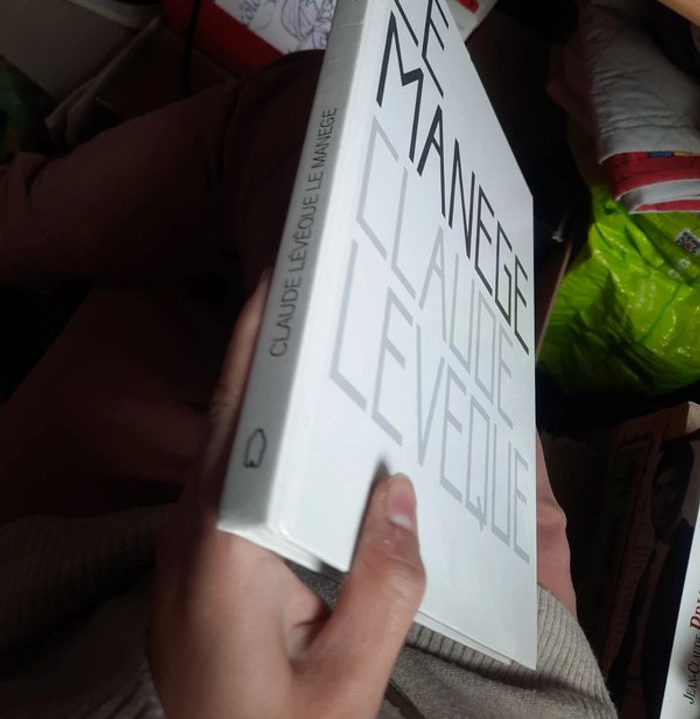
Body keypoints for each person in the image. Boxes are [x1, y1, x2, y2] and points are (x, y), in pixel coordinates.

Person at [0, 52, 616, 717]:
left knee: (315, 123)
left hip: (120, 590)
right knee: (339, 118)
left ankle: (17, 222)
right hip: (520, 649)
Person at [608, 439, 695, 718]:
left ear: (683, 492)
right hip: (621, 698)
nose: (661, 500)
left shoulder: (688, 549)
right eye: (657, 490)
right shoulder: (652, 554)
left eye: (670, 488)